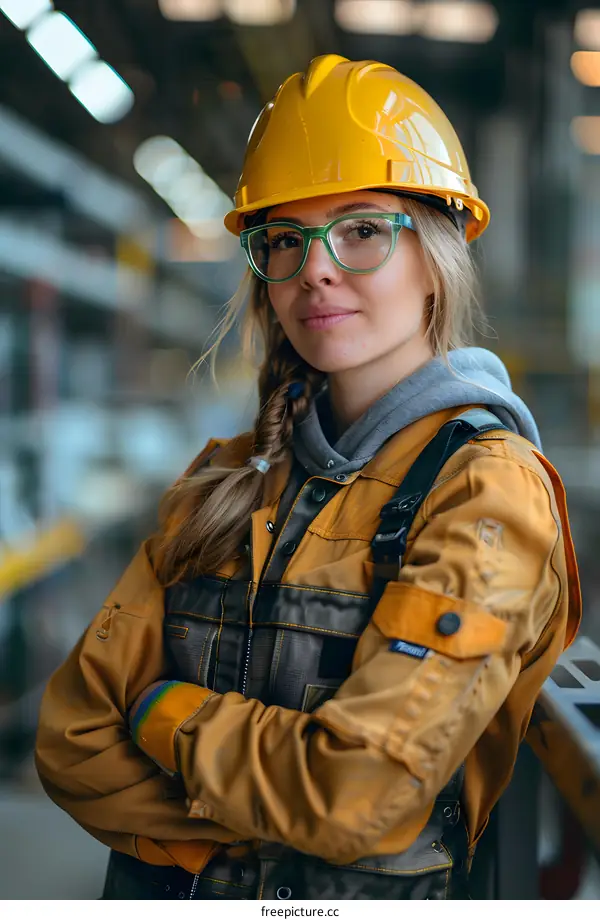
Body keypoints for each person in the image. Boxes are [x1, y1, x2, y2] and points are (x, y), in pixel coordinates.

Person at [35, 54, 581, 901]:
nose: (315, 269)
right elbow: (71, 741)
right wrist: (249, 831)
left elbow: (356, 795)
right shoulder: (223, 479)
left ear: (435, 253)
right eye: (284, 240)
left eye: (362, 230)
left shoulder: (483, 493)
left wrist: (161, 714)